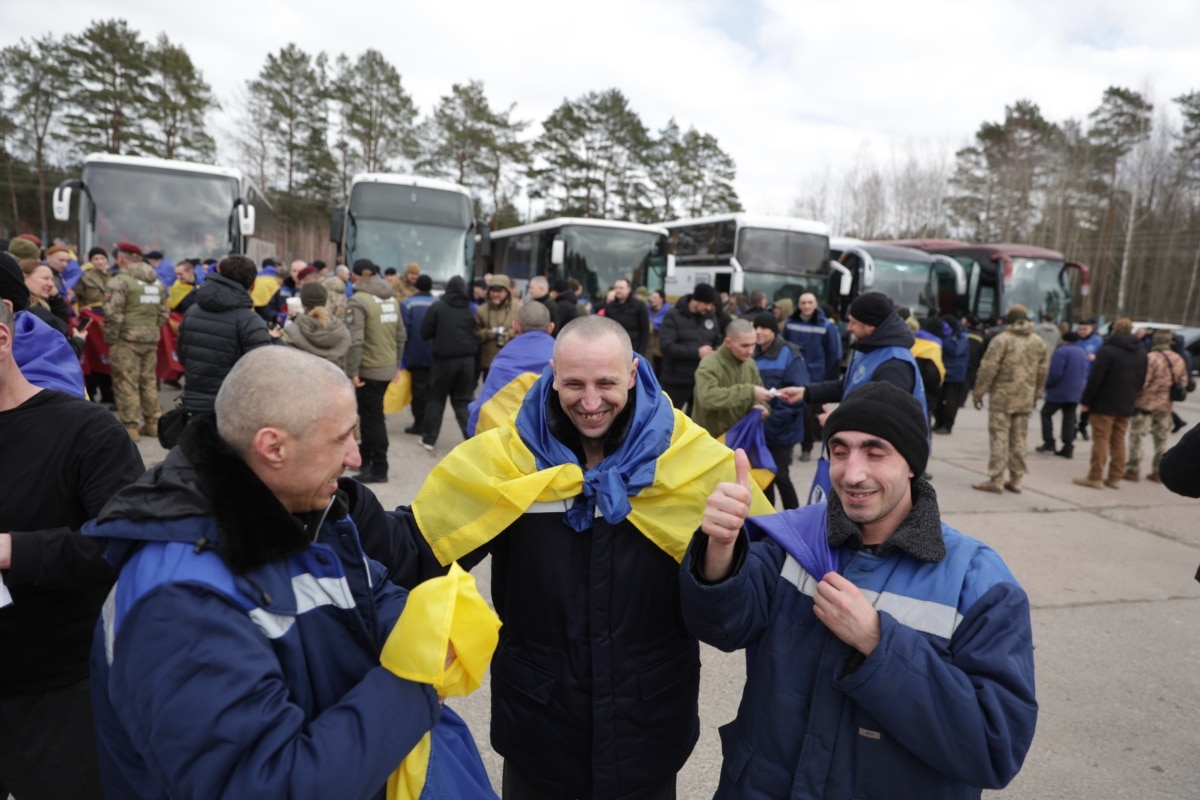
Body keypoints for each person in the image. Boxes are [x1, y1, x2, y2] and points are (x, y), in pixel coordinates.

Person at [394, 315, 773, 800]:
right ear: (552, 374)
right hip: (538, 731)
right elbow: (417, 546)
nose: (590, 402)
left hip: (648, 733)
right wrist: (334, 508)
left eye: (606, 383)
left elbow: (736, 620)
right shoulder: (509, 458)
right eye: (574, 383)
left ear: (634, 373)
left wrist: (721, 552)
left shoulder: (696, 463)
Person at [84, 346, 481, 799]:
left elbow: (368, 593)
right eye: (342, 438)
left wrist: (426, 630)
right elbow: (267, 786)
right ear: (273, 447)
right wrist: (415, 686)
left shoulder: (302, 510)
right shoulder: (179, 603)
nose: (355, 456)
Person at [680, 380, 1037, 798]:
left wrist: (879, 642)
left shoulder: (979, 583)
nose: (852, 473)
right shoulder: (795, 539)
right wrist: (720, 549)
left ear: (911, 464)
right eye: (840, 450)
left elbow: (994, 748)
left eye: (875, 451)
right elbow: (722, 626)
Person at [0, 300, 145, 799]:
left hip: (56, 687)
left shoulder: (87, 432)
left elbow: (126, 540)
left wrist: (12, 551)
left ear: (1, 340)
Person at [792, 292, 926, 422]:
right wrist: (806, 392)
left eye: (854, 322)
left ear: (871, 326)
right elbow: (850, 386)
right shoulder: (869, 347)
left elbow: (884, 417)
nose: (849, 328)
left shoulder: (894, 364)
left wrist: (839, 421)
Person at [177, 254, 276, 418]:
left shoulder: (192, 311)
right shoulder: (250, 320)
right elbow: (261, 369)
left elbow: (183, 356)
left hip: (194, 404)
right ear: (252, 285)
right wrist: (276, 339)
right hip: (233, 407)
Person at [970, 305, 1049, 494]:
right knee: (1019, 439)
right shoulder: (1038, 342)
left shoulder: (1002, 340)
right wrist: (1036, 394)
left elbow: (988, 368)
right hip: (1025, 398)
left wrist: (978, 393)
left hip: (1002, 398)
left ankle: (996, 479)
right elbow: (1043, 371)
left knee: (999, 437)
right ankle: (1016, 479)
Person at [346, 258, 406, 484]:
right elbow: (401, 335)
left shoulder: (357, 301)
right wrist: (396, 364)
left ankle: (379, 467)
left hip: (368, 369)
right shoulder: (391, 298)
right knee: (374, 415)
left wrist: (352, 370)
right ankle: (367, 458)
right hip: (387, 367)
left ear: (355, 276)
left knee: (372, 419)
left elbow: (356, 339)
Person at [1073, 318, 1147, 490]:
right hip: (1126, 404)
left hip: (1104, 404)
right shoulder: (1141, 352)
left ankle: (1095, 475)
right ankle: (1115, 477)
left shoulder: (1107, 351)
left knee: (1101, 440)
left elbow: (1095, 379)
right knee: (1118, 440)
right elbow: (1141, 380)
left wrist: (1086, 401)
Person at [104, 241, 168, 441]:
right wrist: (151, 329)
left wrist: (111, 338)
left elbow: (113, 313)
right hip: (150, 338)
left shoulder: (120, 281)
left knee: (126, 382)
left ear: (121, 258)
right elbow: (164, 313)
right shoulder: (156, 281)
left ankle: (130, 427)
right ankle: (153, 423)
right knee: (148, 380)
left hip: (126, 339)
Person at [467, 300, 555, 437]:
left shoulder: (502, 362)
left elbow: (483, 410)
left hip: (509, 442)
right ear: (550, 328)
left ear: (515, 327)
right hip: (551, 444)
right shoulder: (562, 360)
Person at [751, 312, 810, 509]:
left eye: (764, 328)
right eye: (756, 327)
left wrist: (773, 422)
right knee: (763, 477)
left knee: (781, 476)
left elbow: (797, 397)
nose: (758, 332)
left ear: (774, 332)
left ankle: (794, 518)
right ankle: (769, 520)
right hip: (760, 428)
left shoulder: (790, 354)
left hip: (782, 429)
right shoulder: (751, 352)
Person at [420, 275, 477, 451]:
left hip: (443, 361)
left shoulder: (438, 306)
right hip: (467, 362)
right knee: (462, 401)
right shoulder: (471, 309)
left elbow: (425, 332)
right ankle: (472, 440)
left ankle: (429, 440)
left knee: (436, 400)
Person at [783, 291, 841, 461]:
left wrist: (829, 381)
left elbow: (833, 354)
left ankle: (806, 447)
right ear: (798, 305)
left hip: (815, 377)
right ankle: (789, 447)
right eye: (803, 303)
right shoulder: (790, 323)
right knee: (790, 412)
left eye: (810, 302)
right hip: (794, 374)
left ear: (816, 304)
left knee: (809, 416)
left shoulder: (826, 326)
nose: (806, 306)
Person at [1124, 328, 1187, 483]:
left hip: (1145, 404)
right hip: (1165, 406)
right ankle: (1158, 472)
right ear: (1169, 340)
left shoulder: (1150, 358)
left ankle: (1133, 469)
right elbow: (1183, 383)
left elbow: (1142, 382)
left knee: (1138, 436)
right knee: (1162, 440)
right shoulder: (1178, 359)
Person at [691, 319, 773, 438]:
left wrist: (762, 408)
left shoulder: (750, 364)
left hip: (739, 437)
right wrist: (749, 391)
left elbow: (758, 395)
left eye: (753, 344)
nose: (750, 351)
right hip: (710, 440)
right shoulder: (709, 364)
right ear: (728, 342)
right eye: (744, 345)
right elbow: (707, 397)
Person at [659, 282, 722, 412]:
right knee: (668, 417)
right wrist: (696, 352)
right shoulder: (673, 316)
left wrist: (716, 350)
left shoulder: (710, 316)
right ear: (696, 301)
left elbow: (718, 338)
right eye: (707, 304)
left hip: (701, 380)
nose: (709, 308)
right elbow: (667, 347)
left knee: (697, 424)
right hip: (676, 381)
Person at [1035, 331, 1088, 459]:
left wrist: (1047, 385)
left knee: (1046, 413)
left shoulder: (1061, 352)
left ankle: (1049, 442)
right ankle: (1068, 446)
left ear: (1063, 340)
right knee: (1069, 418)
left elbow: (1055, 372)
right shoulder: (1081, 352)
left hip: (1059, 391)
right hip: (1075, 391)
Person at [284, 281, 350, 371]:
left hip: (303, 380)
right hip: (333, 380)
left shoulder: (291, 331)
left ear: (303, 304)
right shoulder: (341, 330)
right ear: (325, 301)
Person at [400, 273, 437, 435]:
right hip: (435, 354)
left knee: (418, 390)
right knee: (431, 390)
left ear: (416, 287)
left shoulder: (408, 304)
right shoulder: (438, 303)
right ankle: (429, 423)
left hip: (415, 354)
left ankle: (419, 423)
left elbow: (404, 331)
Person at [475, 274, 520, 378]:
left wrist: (509, 334)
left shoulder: (518, 308)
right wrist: (487, 334)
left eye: (499, 291)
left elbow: (525, 331)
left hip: (510, 361)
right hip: (488, 363)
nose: (495, 294)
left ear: (507, 292)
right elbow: (475, 333)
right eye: (492, 291)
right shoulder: (481, 310)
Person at [934, 314, 970, 434]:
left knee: (951, 402)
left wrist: (944, 337)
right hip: (941, 372)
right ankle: (938, 422)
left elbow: (955, 350)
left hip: (955, 375)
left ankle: (947, 425)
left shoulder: (961, 336)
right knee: (937, 401)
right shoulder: (944, 335)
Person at [602, 277, 651, 356]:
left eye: (621, 288)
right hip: (613, 349)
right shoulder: (609, 307)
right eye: (616, 288)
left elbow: (645, 331)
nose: (618, 290)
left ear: (629, 289)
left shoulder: (639, 306)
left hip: (633, 349)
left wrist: (641, 353)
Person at [1075, 317, 1103, 440]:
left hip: (1089, 377)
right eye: (1080, 329)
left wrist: (1096, 358)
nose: (1082, 331)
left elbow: (1104, 359)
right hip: (1075, 377)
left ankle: (1083, 425)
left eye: (1085, 329)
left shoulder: (1098, 342)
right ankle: (1072, 428)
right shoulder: (1074, 341)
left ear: (1091, 329)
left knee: (1086, 405)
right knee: (1072, 405)